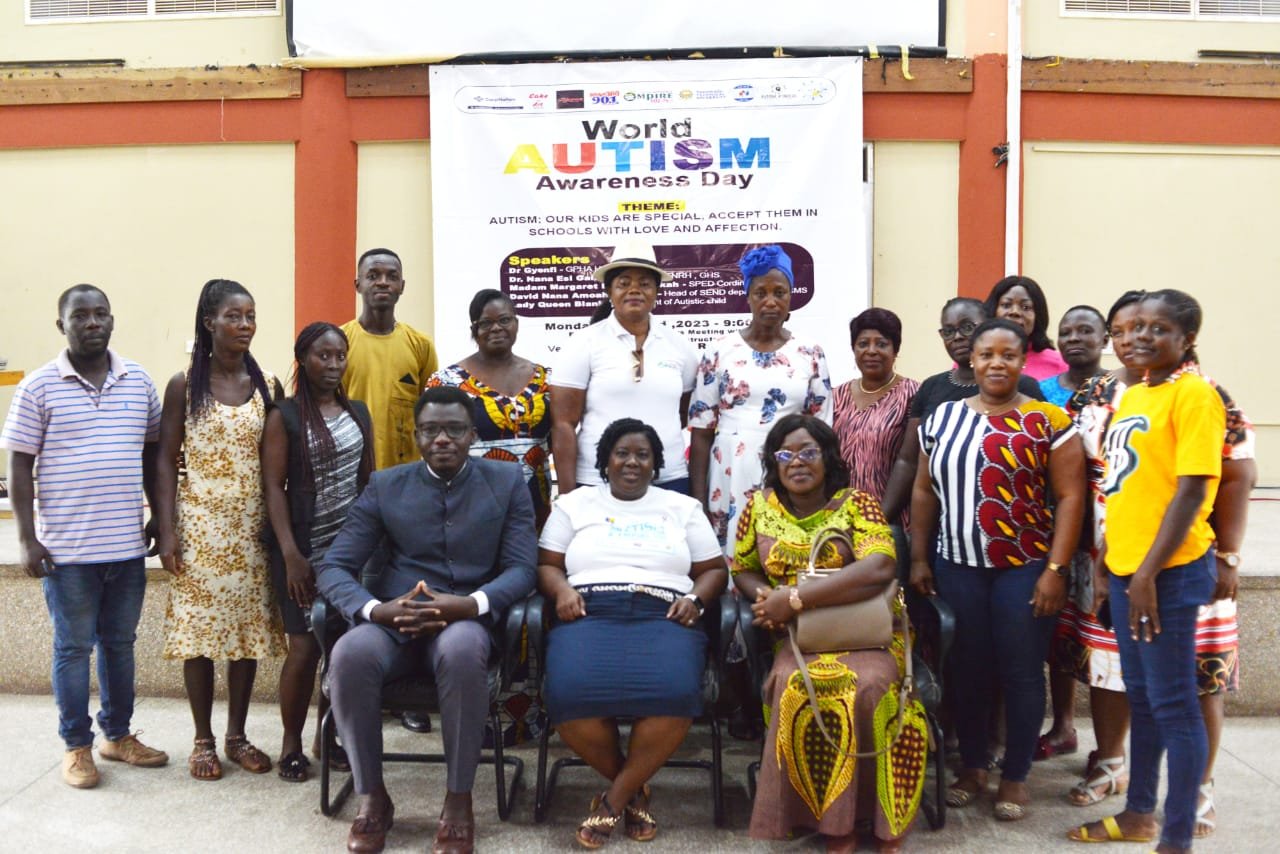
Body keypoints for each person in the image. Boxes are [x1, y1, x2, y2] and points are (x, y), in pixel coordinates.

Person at [314, 385, 537, 854]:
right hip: (394, 620)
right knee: (350, 652)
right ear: (416, 436)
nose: (442, 439)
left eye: (454, 430)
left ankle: (458, 801)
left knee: (462, 650)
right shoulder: (386, 486)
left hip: (464, 620)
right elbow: (334, 566)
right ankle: (373, 798)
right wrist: (376, 610)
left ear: (472, 434)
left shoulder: (506, 481)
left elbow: (522, 569)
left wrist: (470, 605)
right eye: (431, 430)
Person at [1064, 291, 1253, 839]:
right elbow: (1127, 488)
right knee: (1143, 699)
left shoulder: (1196, 395)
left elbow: (1193, 490)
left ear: (1186, 338)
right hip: (1127, 569)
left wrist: (1146, 574)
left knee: (1175, 704)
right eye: (1131, 327)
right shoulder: (1138, 394)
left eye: (1157, 328)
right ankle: (1138, 813)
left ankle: (1176, 838)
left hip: (1168, 573)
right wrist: (1108, 566)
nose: (1140, 337)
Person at [909, 318, 1085, 822]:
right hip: (957, 565)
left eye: (1008, 355)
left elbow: (1071, 497)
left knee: (1021, 669)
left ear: (1024, 360)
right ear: (972, 359)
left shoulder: (1049, 420)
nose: (996, 363)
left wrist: (1056, 569)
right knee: (967, 667)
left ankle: (1016, 775)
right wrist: (919, 557)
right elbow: (923, 490)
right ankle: (973, 767)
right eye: (987, 354)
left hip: (1024, 567)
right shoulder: (942, 418)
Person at [1, 284, 169, 788]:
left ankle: (117, 736)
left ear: (112, 320)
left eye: (101, 313)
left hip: (126, 548)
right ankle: (76, 746)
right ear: (62, 326)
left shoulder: (138, 381)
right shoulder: (38, 387)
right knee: (73, 649)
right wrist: (27, 538)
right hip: (67, 552)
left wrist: (161, 517)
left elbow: (153, 456)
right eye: (80, 315)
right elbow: (19, 464)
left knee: (119, 644)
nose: (92, 322)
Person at [537, 418, 728, 848]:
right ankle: (633, 793)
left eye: (643, 455)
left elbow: (714, 570)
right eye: (621, 453)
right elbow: (547, 564)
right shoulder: (574, 504)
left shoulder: (682, 508)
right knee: (567, 693)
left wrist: (696, 600)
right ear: (604, 461)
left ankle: (613, 800)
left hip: (665, 615)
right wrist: (562, 590)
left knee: (676, 692)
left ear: (656, 464)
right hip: (588, 612)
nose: (632, 462)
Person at [733, 414, 908, 853]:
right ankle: (831, 822)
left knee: (870, 685)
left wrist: (795, 598)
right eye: (785, 454)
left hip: (865, 630)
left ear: (827, 458)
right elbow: (743, 569)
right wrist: (766, 599)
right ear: (774, 463)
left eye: (808, 452)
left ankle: (882, 819)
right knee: (793, 685)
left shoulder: (858, 503)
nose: (797, 462)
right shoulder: (758, 507)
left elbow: (880, 566)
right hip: (797, 637)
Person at [155, 278, 286, 781]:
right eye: (234, 316)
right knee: (200, 637)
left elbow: (275, 466)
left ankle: (236, 736)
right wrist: (167, 530)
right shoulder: (184, 385)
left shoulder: (268, 384)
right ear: (209, 321)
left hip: (252, 530)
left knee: (246, 636)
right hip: (200, 530)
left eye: (250, 316)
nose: (245, 325)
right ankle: (203, 740)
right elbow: (165, 461)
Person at [261, 322, 374, 782]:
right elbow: (273, 487)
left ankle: (327, 738)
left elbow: (368, 481)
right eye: (322, 356)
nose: (332, 364)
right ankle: (291, 744)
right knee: (305, 648)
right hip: (302, 551)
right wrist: (291, 554)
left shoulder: (358, 412)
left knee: (341, 647)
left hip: (350, 553)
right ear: (302, 360)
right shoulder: (284, 416)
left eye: (339, 356)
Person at [689, 244, 832, 550]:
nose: (770, 301)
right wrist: (698, 501)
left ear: (790, 296)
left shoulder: (810, 352)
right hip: (731, 469)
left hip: (789, 470)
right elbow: (701, 432)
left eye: (779, 292)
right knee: (731, 552)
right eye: (760, 293)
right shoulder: (719, 351)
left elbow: (822, 432)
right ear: (748, 296)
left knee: (784, 553)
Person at [549, 239, 698, 495]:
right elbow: (563, 424)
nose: (634, 290)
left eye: (645, 284)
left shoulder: (679, 346)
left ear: (657, 291)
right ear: (609, 290)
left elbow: (683, 412)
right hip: (598, 480)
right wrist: (567, 495)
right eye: (624, 283)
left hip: (668, 478)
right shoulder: (583, 343)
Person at [879, 298, 1043, 524]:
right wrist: (879, 522)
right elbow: (908, 461)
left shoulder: (1021, 386)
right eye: (948, 331)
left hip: (1011, 522)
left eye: (966, 327)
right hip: (939, 523)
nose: (956, 337)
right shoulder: (931, 387)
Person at [1037, 305, 1109, 760]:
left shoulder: (1119, 392)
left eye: (1086, 330)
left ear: (1105, 338)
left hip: (1103, 536)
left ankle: (1109, 746)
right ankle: (1063, 726)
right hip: (1056, 531)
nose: (1074, 338)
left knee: (1105, 642)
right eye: (1066, 332)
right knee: (1059, 637)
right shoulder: (1044, 392)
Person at [427, 288, 553, 530]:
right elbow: (432, 447)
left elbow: (559, 439)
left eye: (504, 320)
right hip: (470, 505)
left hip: (534, 504)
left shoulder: (545, 379)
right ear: (474, 330)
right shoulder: (446, 382)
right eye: (486, 323)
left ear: (516, 323)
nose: (496, 328)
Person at [341, 247, 439, 471]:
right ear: (358, 285)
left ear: (402, 286)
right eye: (373, 276)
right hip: (351, 472)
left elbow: (431, 412)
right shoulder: (339, 344)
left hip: (405, 474)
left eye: (392, 276)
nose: (383, 283)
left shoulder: (421, 345)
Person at [830, 308, 918, 524]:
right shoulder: (835, 396)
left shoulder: (913, 394)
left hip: (891, 521)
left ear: (895, 350)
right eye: (863, 344)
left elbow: (912, 464)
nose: (871, 351)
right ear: (853, 349)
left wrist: (877, 521)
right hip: (839, 519)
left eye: (881, 344)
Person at [984, 275, 1069, 381]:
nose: (1015, 312)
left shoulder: (1060, 364)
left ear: (1038, 315)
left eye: (1026, 307)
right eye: (1006, 305)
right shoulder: (976, 360)